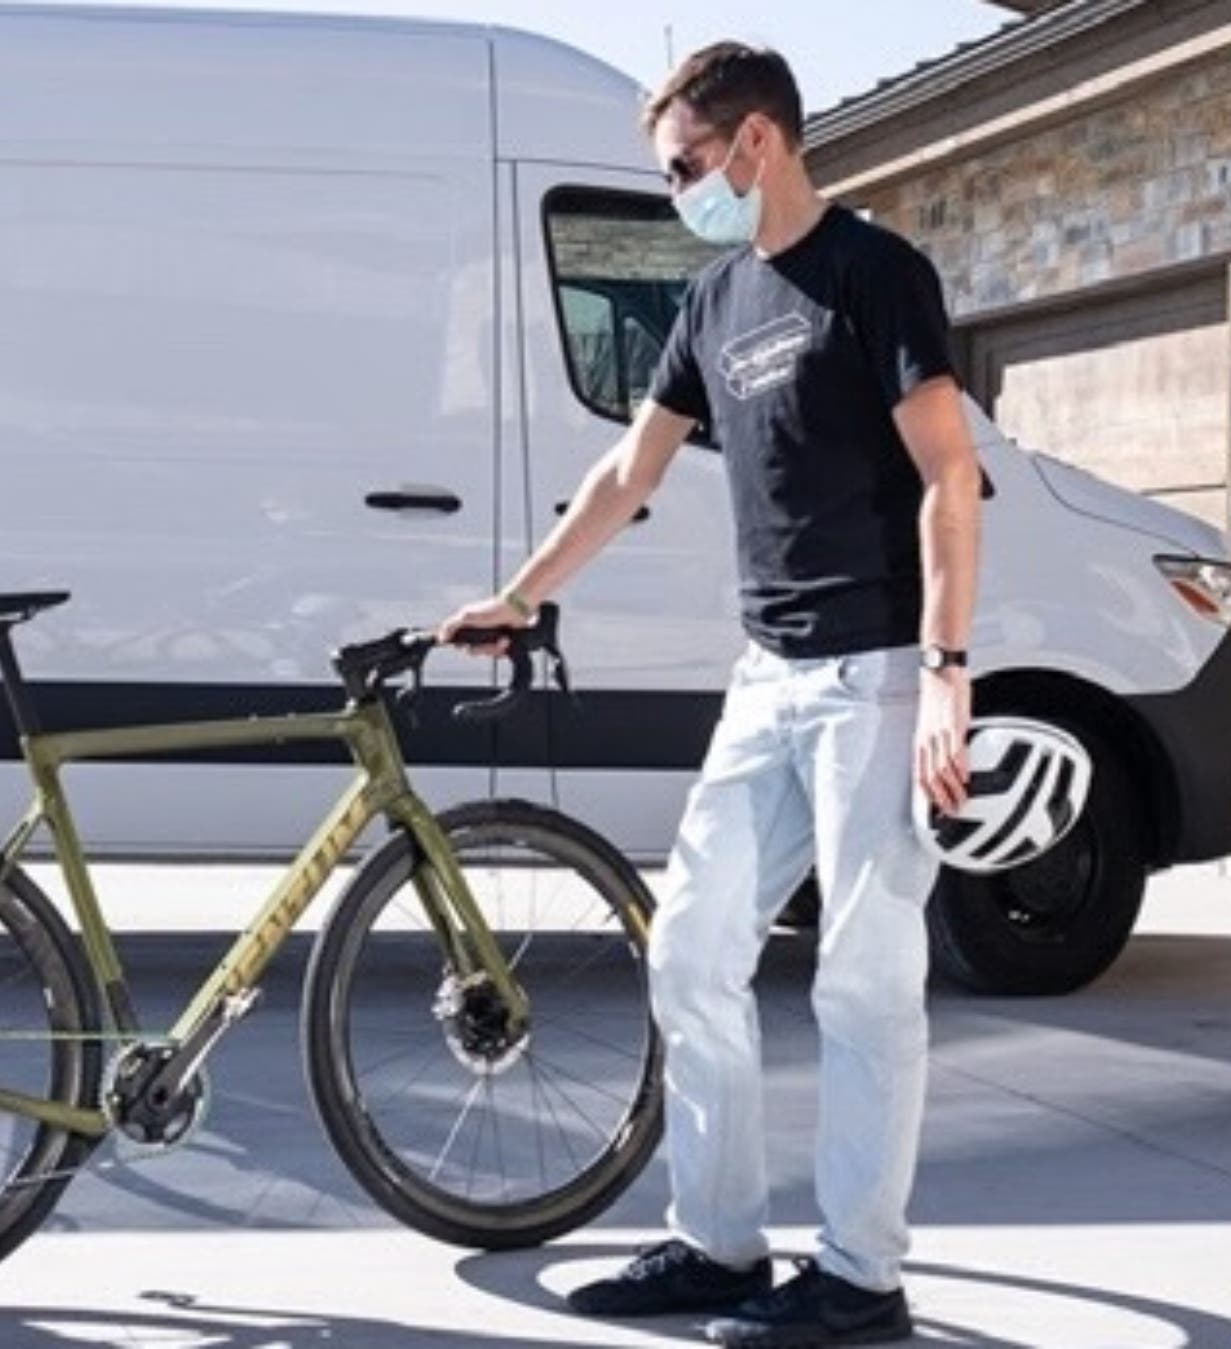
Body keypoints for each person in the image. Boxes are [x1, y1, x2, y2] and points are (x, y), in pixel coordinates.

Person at [441, 42, 979, 1348]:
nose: (679, 189)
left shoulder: (875, 274)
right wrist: (521, 592)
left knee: (862, 980)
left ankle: (861, 1280)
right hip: (769, 677)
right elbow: (628, 475)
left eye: (685, 165)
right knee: (689, 946)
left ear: (757, 142)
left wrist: (951, 676)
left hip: (877, 679)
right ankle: (720, 1245)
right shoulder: (717, 300)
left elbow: (948, 479)